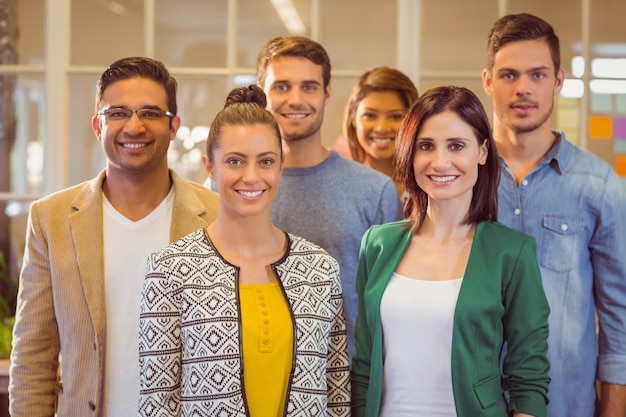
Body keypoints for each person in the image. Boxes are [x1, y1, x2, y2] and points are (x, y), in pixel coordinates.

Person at [8, 57, 220, 417]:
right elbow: (33, 354)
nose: (134, 126)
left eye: (151, 113)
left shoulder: (217, 214)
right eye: (117, 113)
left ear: (174, 126)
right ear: (97, 125)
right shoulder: (51, 218)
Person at [138, 84, 351, 416]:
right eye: (235, 161)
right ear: (211, 167)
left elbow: (337, 395)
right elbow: (157, 403)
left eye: (265, 161)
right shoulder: (169, 270)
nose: (251, 177)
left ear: (281, 165)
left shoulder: (321, 269)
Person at [351, 86, 551, 417]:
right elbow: (363, 366)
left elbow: (528, 378)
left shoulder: (511, 253)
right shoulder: (377, 244)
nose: (440, 162)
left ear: (483, 151)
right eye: (426, 146)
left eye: (456, 146)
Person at [482, 13, 626, 417]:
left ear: (558, 81)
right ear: (488, 81)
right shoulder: (461, 178)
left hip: (565, 403)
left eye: (538, 75)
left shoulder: (597, 183)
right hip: (469, 402)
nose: (523, 89)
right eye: (508, 75)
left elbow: (619, 316)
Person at [255, 36, 403, 358]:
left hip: (346, 382)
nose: (295, 100)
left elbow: (392, 308)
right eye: (281, 87)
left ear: (327, 93)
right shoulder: (230, 189)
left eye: (308, 87)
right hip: (252, 377)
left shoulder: (374, 191)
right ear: (261, 92)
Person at [342, 66, 419, 197]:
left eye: (395, 116)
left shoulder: (428, 184)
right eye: (370, 115)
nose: (382, 128)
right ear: (353, 119)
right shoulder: (339, 185)